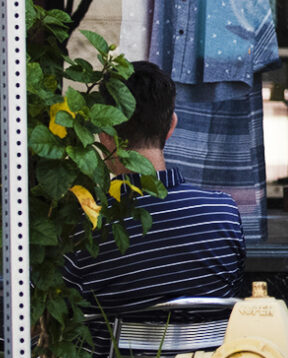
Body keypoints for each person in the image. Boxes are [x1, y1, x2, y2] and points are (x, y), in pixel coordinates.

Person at [60, 61, 244, 335]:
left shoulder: (85, 225)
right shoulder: (223, 213)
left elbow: (61, 316)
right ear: (171, 126)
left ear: (104, 136)